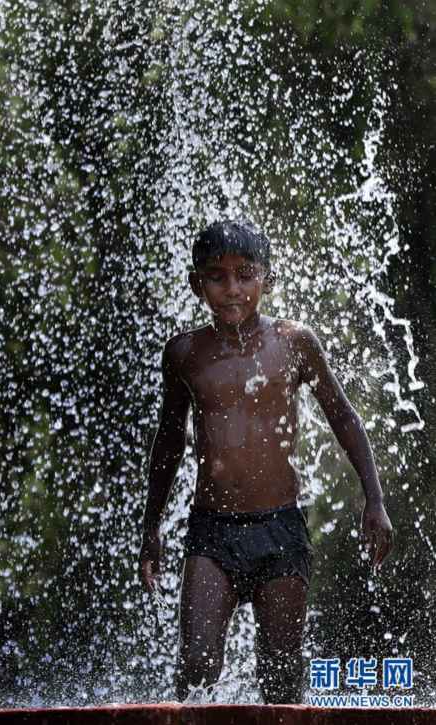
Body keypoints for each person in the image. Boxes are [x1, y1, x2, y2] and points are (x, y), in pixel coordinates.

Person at [139, 219, 394, 704]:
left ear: (267, 280)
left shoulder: (294, 343)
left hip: (280, 529)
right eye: (217, 276)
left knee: (280, 679)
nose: (232, 289)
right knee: (195, 667)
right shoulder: (184, 353)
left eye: (245, 274)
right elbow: (169, 441)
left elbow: (343, 417)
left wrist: (374, 501)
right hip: (211, 531)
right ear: (198, 284)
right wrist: (151, 526)